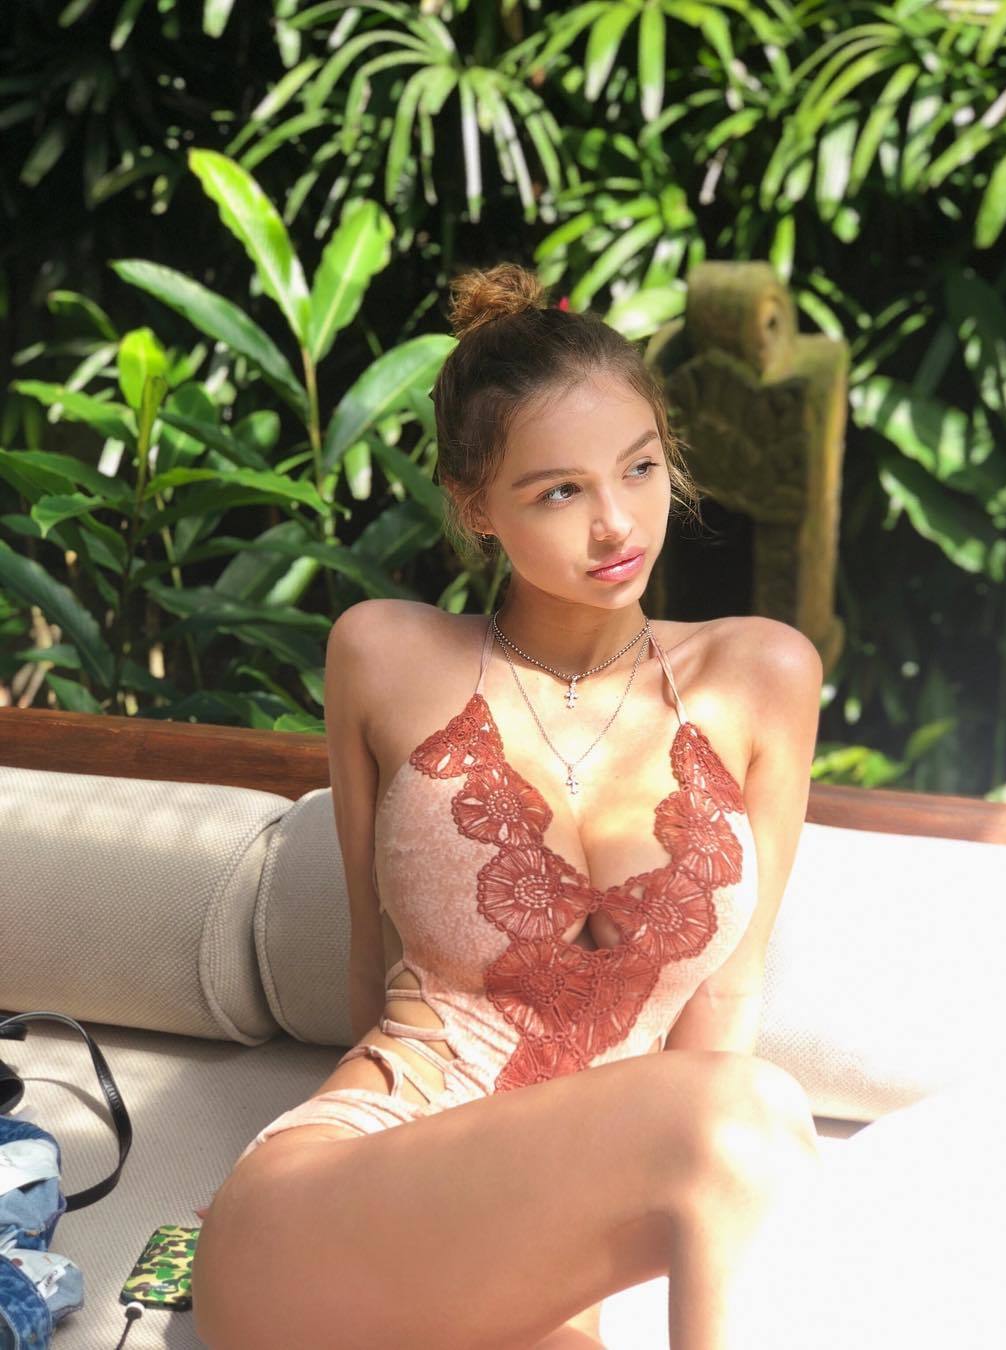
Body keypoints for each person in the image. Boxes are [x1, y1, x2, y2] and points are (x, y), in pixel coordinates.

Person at [190, 261, 825, 1350]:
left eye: (639, 467)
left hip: (556, 1220)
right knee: (750, 1108)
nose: (617, 522)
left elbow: (727, 996)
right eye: (559, 491)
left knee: (742, 1108)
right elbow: (369, 959)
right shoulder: (383, 655)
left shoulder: (763, 675)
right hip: (345, 1189)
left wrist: (574, 1280)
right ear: (475, 507)